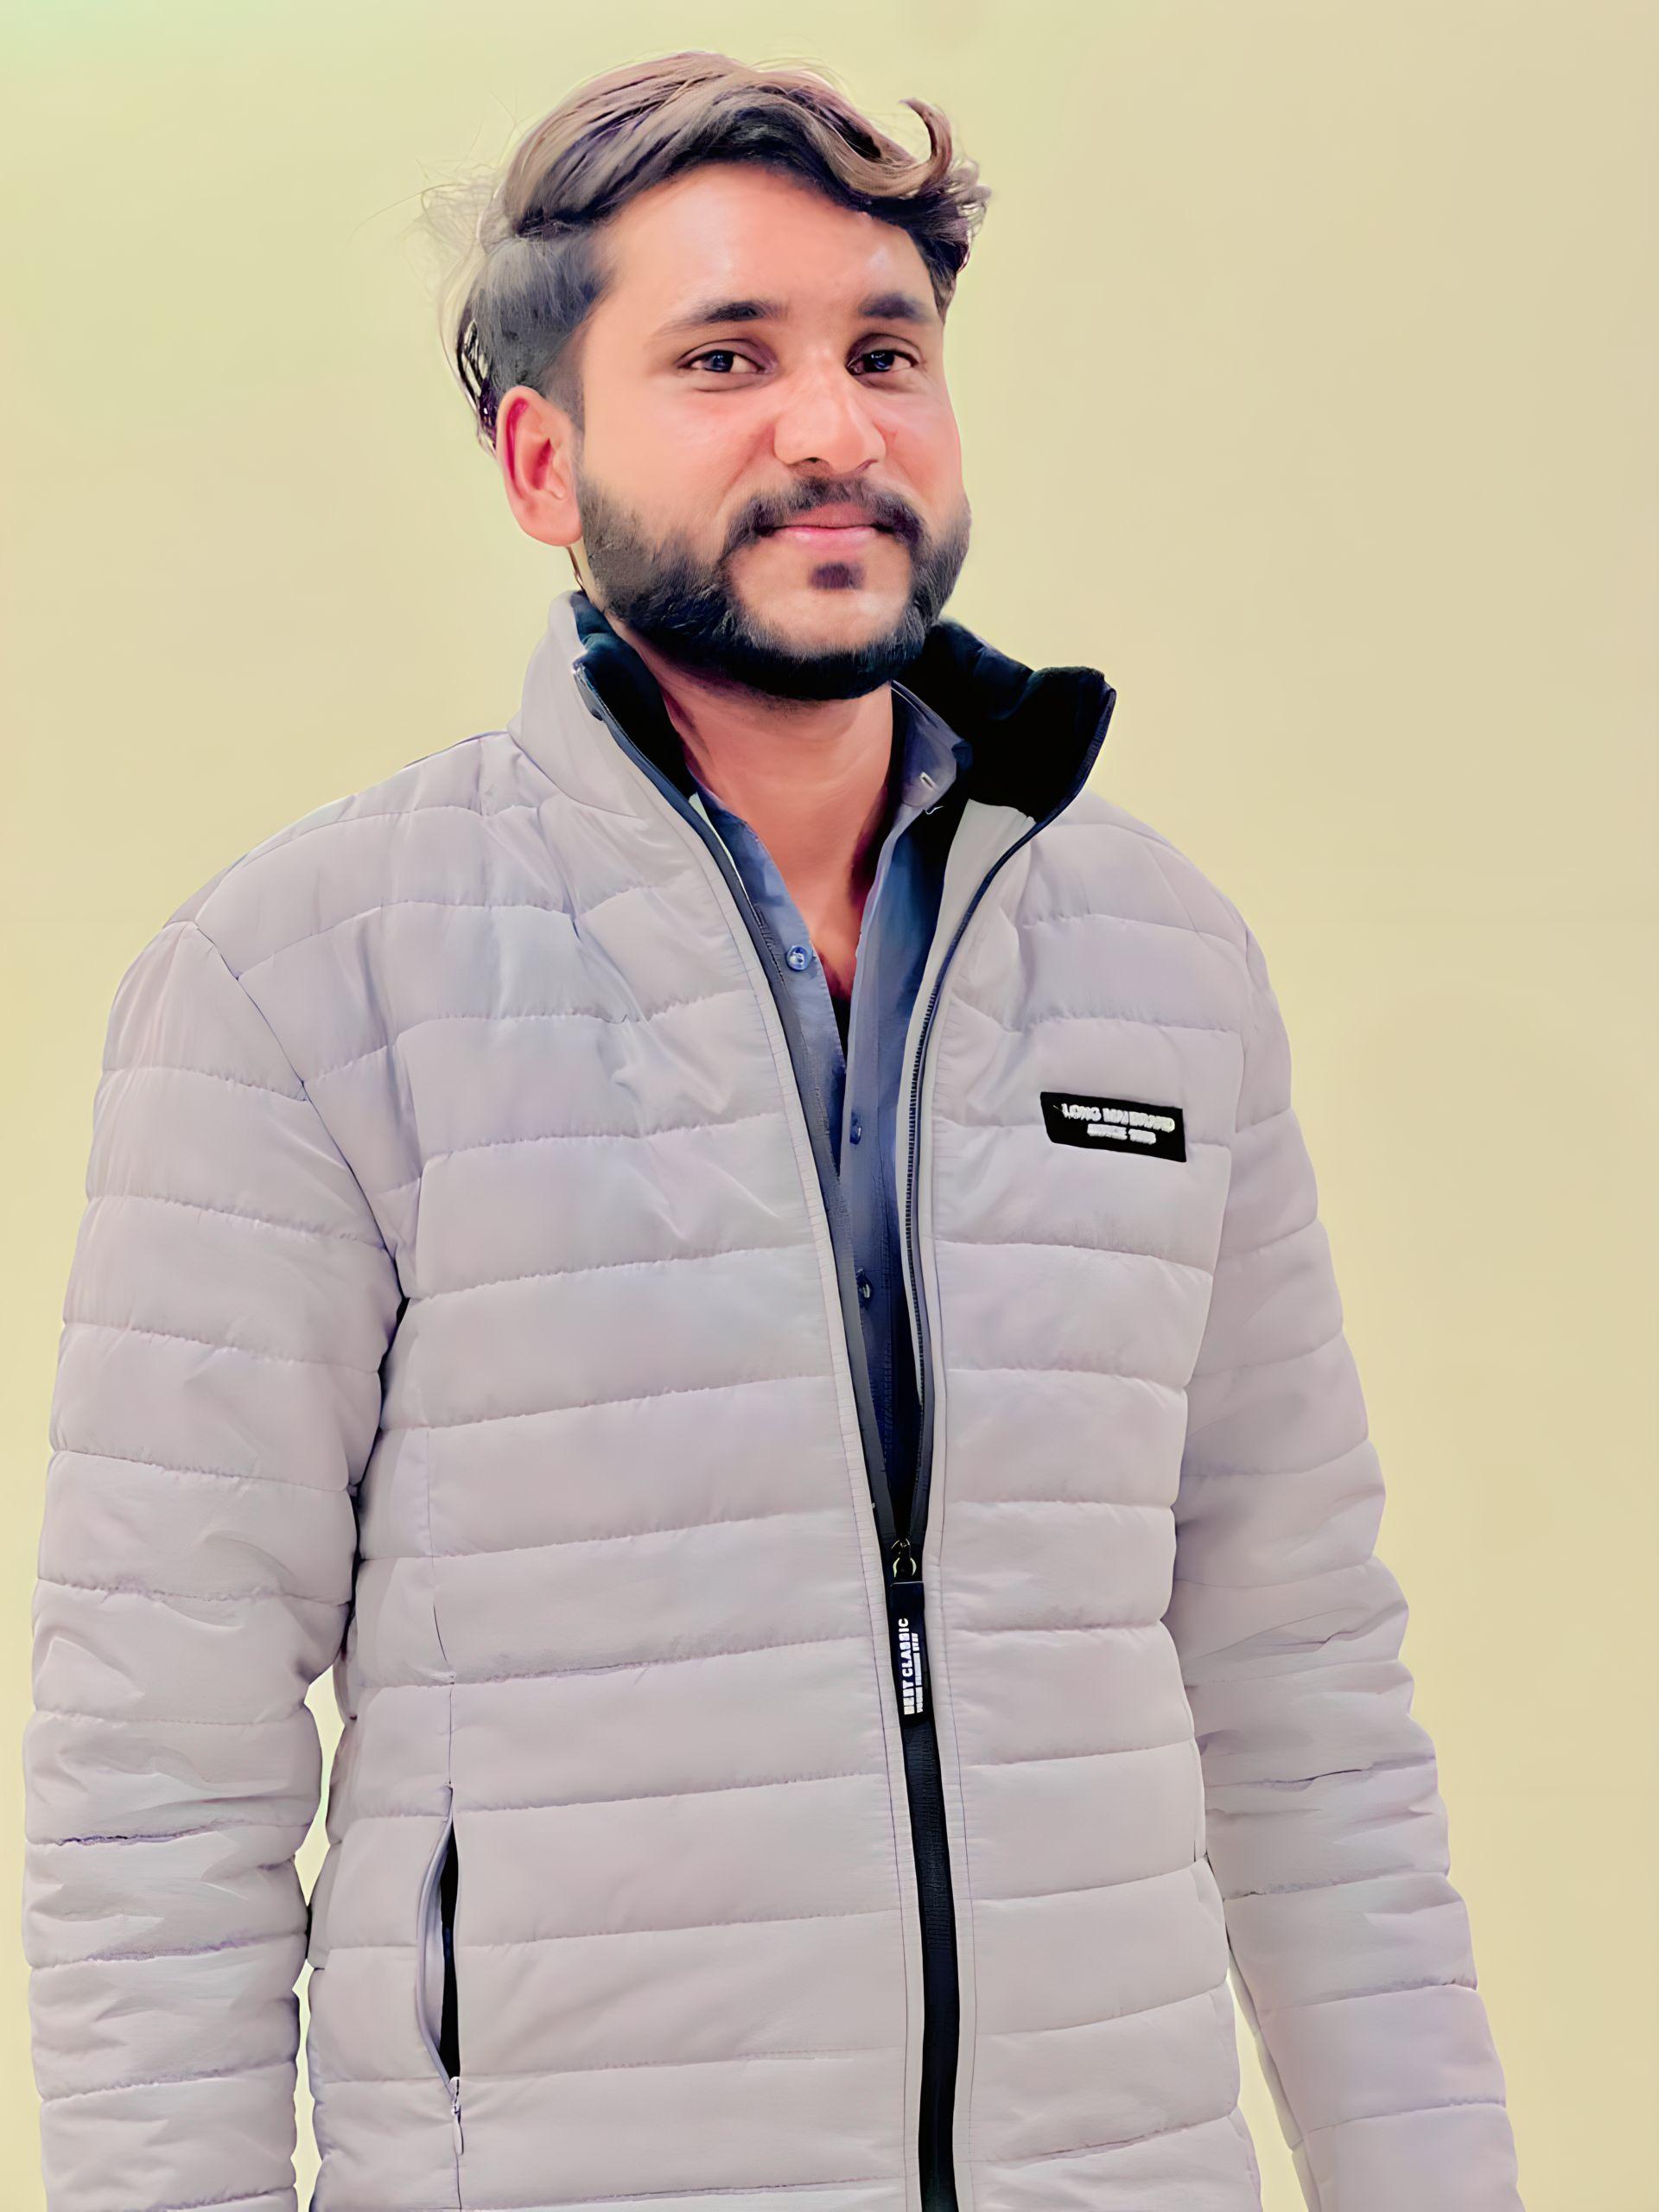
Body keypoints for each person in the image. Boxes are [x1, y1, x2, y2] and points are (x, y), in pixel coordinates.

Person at [21, 48, 1525, 2212]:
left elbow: (1304, 1697)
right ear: (542, 459)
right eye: (726, 357)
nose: (834, 428)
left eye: (884, 353)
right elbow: (160, 1770)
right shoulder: (303, 980)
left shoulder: (1165, 968)